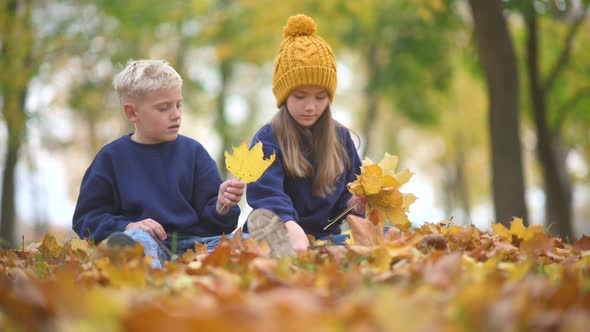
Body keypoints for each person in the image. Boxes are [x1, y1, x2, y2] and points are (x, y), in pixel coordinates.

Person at [72, 59, 245, 268]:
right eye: (163, 108)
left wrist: (221, 206)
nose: (176, 114)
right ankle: (150, 277)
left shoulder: (194, 153)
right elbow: (86, 219)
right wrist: (127, 226)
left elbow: (217, 226)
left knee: (245, 241)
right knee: (134, 241)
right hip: (146, 244)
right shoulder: (111, 158)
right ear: (132, 113)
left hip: (195, 246)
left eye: (178, 104)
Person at [245, 14, 365, 256]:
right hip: (280, 227)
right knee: (263, 223)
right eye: (300, 97)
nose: (311, 107)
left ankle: (310, 250)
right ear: (284, 96)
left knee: (386, 232)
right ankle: (278, 247)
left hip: (324, 234)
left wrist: (354, 204)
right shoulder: (267, 138)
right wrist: (289, 224)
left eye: (320, 97)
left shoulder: (341, 138)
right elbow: (266, 192)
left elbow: (348, 192)